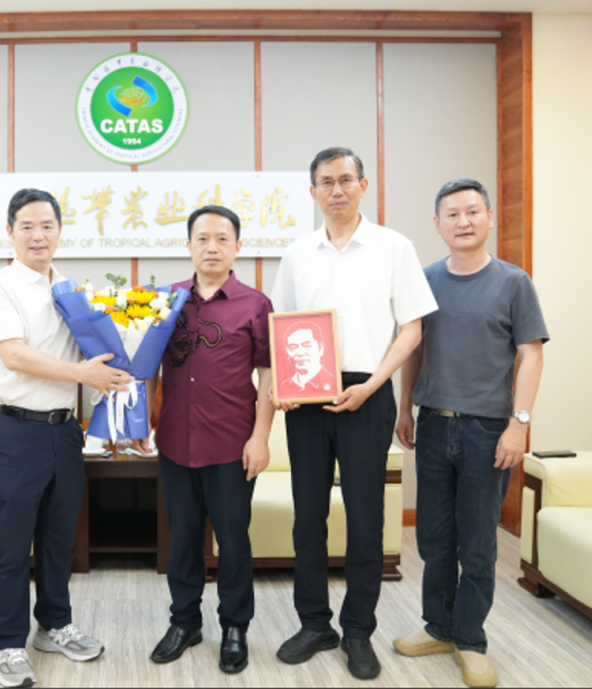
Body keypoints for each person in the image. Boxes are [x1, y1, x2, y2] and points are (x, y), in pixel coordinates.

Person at [270, 147, 438, 680]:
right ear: (313, 192)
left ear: (363, 185)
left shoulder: (394, 247)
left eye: (346, 180)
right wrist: (284, 388)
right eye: (326, 182)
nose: (336, 190)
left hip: (370, 390)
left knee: (367, 519)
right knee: (308, 516)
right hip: (307, 397)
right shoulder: (297, 253)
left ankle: (358, 630)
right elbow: (282, 327)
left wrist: (373, 385)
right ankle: (314, 623)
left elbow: (412, 329)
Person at [393, 179, 548, 688]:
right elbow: (413, 349)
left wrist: (518, 424)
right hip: (433, 424)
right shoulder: (424, 281)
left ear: (489, 218)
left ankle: (470, 639)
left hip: (489, 431)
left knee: (478, 544)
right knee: (434, 539)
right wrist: (404, 408)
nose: (463, 221)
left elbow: (531, 355)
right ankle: (438, 627)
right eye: (452, 214)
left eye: (473, 212)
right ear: (437, 224)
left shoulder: (513, 282)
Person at [0, 188, 132, 688]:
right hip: (14, 427)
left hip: (64, 430)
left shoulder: (69, 289)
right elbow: (14, 355)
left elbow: (94, 353)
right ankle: (7, 643)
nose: (38, 235)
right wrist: (84, 374)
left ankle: (53, 625)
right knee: (12, 540)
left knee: (59, 536)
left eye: (47, 226)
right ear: (9, 232)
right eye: (26, 226)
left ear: (60, 232)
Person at [138, 206, 274, 675]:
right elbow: (148, 366)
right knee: (183, 538)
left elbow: (268, 375)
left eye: (221, 239)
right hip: (176, 440)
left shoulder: (255, 304)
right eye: (202, 238)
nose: (211, 247)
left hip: (233, 444)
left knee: (233, 540)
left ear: (237, 247)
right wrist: (143, 421)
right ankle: (185, 622)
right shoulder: (167, 300)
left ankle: (235, 626)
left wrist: (261, 437)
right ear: (189, 245)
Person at [279, 320, 336, 398]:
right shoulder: (282, 388)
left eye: (307, 346)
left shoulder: (334, 384)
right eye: (293, 347)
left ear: (321, 348)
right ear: (287, 351)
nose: (300, 353)